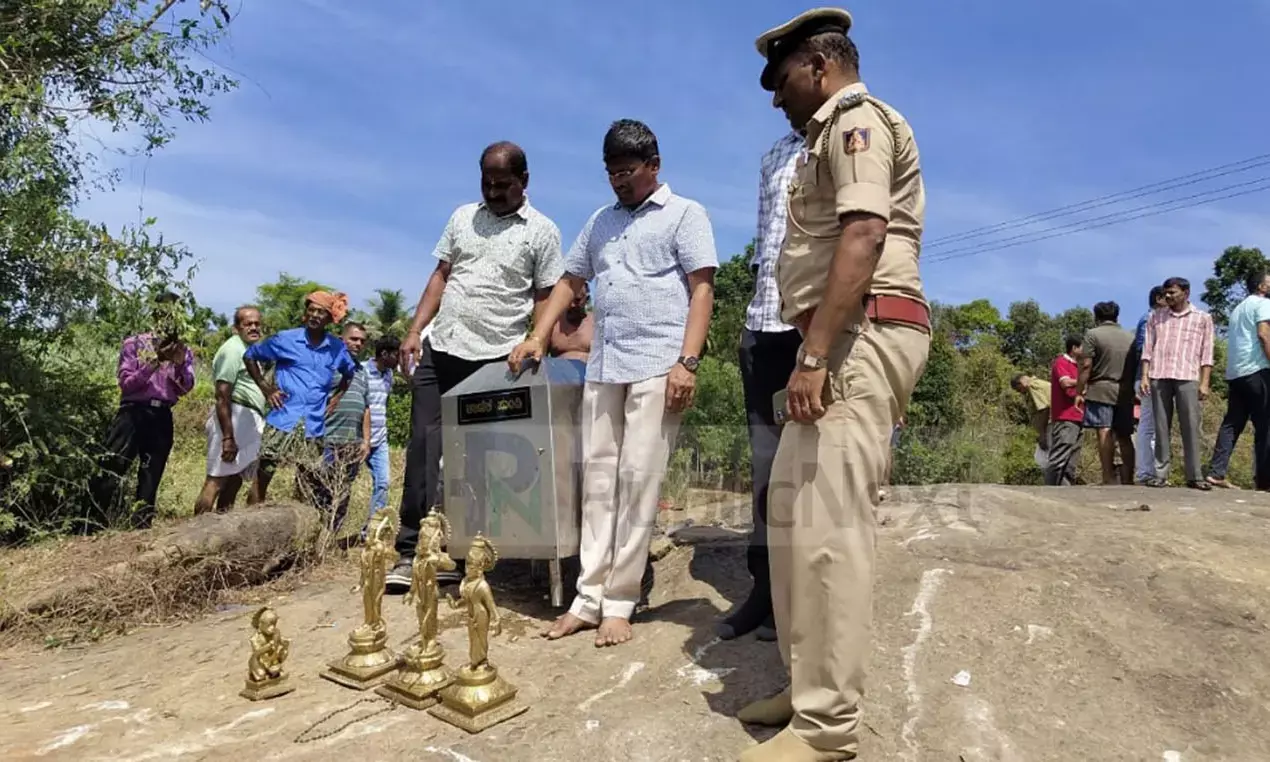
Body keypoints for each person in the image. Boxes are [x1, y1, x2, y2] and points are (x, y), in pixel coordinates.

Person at [735, 10, 932, 760]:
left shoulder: (858, 122)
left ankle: (828, 728)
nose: (775, 97)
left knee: (829, 535)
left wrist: (813, 358)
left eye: (782, 79)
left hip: (859, 338)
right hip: (834, 338)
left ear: (819, 65)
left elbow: (864, 233)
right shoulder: (823, 135)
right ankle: (805, 681)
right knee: (792, 525)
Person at [510, 118, 717, 648]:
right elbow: (571, 281)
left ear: (654, 166)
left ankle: (620, 603)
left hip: (657, 363)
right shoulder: (600, 222)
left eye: (627, 171)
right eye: (610, 173)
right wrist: (537, 336)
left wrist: (686, 363)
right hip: (605, 365)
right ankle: (587, 599)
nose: (618, 182)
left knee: (637, 481)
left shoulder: (685, 215)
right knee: (598, 482)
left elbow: (701, 291)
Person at [387, 142, 565, 593]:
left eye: (502, 184)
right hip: (441, 348)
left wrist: (536, 338)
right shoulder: (462, 217)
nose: (492, 190)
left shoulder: (542, 231)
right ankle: (409, 552)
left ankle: (465, 556)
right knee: (424, 449)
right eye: (486, 182)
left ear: (524, 181)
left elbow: (546, 295)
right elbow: (441, 276)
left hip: (494, 361)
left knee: (479, 461)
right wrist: (414, 330)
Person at [719, 128, 804, 644]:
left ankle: (800, 599)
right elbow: (764, 239)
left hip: (811, 326)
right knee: (766, 469)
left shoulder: (844, 135)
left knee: (811, 470)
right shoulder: (774, 152)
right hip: (764, 324)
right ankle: (764, 591)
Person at [89, 292, 195, 531]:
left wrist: (178, 364)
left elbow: (186, 387)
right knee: (112, 467)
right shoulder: (134, 344)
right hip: (132, 414)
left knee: (151, 474)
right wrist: (156, 361)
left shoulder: (183, 351)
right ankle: (89, 525)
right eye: (164, 312)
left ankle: (141, 529)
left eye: (174, 314)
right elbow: (127, 384)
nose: (169, 319)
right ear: (155, 313)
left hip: (161, 416)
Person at [243, 291, 357, 504]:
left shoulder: (336, 347)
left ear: (329, 318)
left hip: (313, 425)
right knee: (264, 474)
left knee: (307, 481)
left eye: (320, 312)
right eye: (311, 310)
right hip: (283, 419)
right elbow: (250, 356)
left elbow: (349, 373)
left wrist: (337, 397)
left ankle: (298, 528)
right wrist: (267, 389)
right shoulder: (286, 339)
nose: (314, 315)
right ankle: (250, 521)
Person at [1140, 277, 1215, 490]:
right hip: (1159, 375)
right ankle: (1160, 474)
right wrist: (1145, 376)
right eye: (1166, 293)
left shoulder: (1202, 318)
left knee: (1191, 427)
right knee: (1161, 427)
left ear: (1186, 293)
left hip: (1188, 376)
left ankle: (1195, 475)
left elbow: (1207, 353)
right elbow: (1148, 348)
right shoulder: (1156, 317)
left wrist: (1205, 382)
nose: (1168, 296)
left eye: (1172, 292)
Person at [195, 305, 266, 515]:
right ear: (236, 328)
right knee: (216, 479)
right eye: (248, 324)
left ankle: (221, 532)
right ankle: (195, 532)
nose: (253, 328)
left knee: (234, 480)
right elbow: (222, 395)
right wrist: (228, 437)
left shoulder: (250, 351)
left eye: (257, 324)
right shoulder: (233, 349)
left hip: (248, 419)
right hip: (233, 418)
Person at [1207, 270, 1270, 489]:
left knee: (1232, 423)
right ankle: (1264, 481)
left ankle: (1217, 472)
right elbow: (1264, 334)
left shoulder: (1238, 308)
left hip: (1236, 372)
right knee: (1265, 426)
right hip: (1258, 369)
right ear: (1261, 287)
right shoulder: (1263, 304)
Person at [1075, 301, 1136, 485]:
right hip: (1125, 391)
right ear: (1117, 316)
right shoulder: (1130, 337)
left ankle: (1108, 477)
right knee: (1125, 435)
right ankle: (1128, 479)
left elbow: (1086, 365)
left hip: (1100, 389)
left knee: (1104, 431)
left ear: (1097, 317)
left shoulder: (1093, 335)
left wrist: (1079, 391)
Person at [361, 335, 399, 534]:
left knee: (383, 483)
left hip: (380, 439)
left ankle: (371, 531)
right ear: (384, 354)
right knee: (342, 485)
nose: (398, 359)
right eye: (396, 355)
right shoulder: (361, 371)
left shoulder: (389, 375)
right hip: (359, 439)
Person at [1133, 286, 1167, 484]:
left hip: (1151, 377)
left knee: (1152, 426)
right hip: (1149, 377)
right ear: (1158, 298)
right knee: (1148, 426)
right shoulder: (1150, 319)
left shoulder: (1151, 319)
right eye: (1167, 296)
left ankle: (1151, 471)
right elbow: (1142, 350)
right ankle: (1146, 472)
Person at [1046, 336, 1085, 486]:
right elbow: (1065, 383)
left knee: (1071, 464)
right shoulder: (1061, 362)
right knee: (1059, 458)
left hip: (1079, 416)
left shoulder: (1079, 366)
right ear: (1074, 348)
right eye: (1082, 347)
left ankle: (1065, 493)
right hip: (1065, 416)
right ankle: (1048, 490)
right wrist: (1083, 381)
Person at [548, 281, 594, 362]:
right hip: (558, 372)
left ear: (587, 299)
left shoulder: (596, 323)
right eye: (568, 300)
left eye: (577, 300)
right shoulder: (553, 323)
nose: (572, 305)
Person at [1010, 372, 1053, 453]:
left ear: (1021, 381)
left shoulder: (1033, 386)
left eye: (1019, 389)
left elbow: (1044, 409)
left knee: (1047, 459)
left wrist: (1042, 434)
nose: (1020, 392)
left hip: (1049, 427)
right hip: (1050, 426)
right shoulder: (1039, 383)